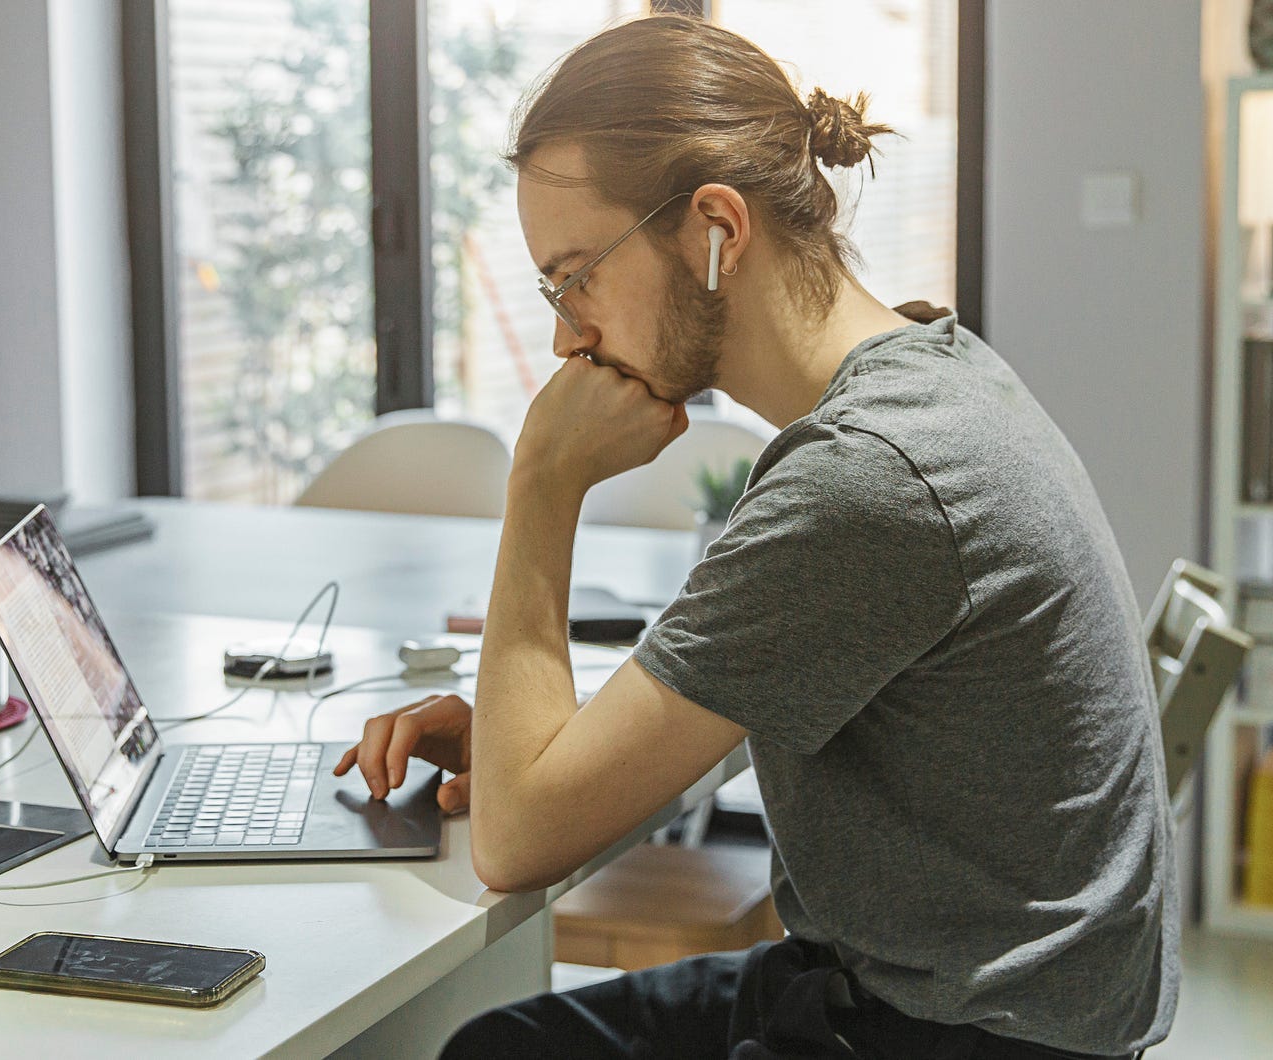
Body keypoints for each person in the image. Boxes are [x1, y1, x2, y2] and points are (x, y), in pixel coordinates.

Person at [335, 15, 1176, 1060]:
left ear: (715, 229)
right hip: (949, 997)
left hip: (947, 1035)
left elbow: (517, 843)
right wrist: (530, 745)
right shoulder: (934, 369)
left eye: (575, 276)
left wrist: (542, 482)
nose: (565, 335)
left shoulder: (869, 476)